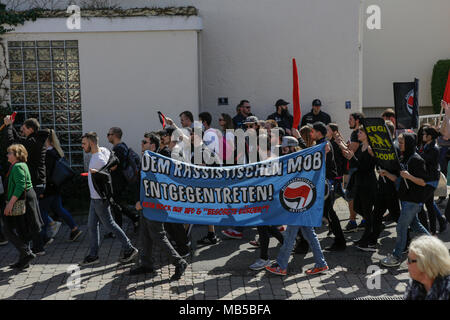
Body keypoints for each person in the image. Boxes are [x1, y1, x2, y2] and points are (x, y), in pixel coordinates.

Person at [265, 137, 329, 276]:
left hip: (299, 203)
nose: (283, 149)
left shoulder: (301, 160)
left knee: (290, 236)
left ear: (293, 147)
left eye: (285, 147)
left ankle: (281, 265)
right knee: (309, 234)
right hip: (301, 203)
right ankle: (321, 264)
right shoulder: (294, 159)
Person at [130, 133, 188, 280]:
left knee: (157, 235)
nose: (142, 144)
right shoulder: (147, 159)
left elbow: (155, 187)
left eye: (145, 142)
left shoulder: (156, 162)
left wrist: (142, 202)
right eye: (142, 141)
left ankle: (179, 261)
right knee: (145, 234)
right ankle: (147, 264)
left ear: (153, 146)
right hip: (145, 204)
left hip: (153, 205)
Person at [79, 132, 138, 266]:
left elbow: (106, 176)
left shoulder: (98, 159)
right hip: (94, 198)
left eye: (84, 143)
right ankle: (93, 255)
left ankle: (129, 249)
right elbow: (114, 165)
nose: (82, 146)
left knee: (110, 225)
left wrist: (99, 173)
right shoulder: (104, 150)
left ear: (91, 143)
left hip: (99, 199)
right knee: (92, 226)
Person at [3, 116, 57, 255]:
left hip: (36, 185)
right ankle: (40, 242)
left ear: (31, 129)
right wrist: (11, 127)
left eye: (24, 129)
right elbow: (18, 141)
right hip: (37, 184)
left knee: (31, 218)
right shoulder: (34, 140)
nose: (22, 131)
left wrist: (9, 127)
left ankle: (37, 246)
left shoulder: (35, 142)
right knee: (34, 216)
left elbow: (13, 143)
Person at [380, 132, 432, 267]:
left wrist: (409, 176)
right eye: (399, 142)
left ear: (408, 143)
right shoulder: (405, 158)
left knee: (401, 227)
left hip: (413, 201)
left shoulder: (416, 159)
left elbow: (423, 182)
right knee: (416, 225)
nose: (399, 144)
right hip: (405, 198)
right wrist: (387, 174)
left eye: (401, 142)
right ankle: (435, 248)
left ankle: (396, 256)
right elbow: (400, 179)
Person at [2, 144, 43, 269]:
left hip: (21, 201)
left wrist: (10, 203)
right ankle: (24, 260)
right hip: (25, 200)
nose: (7, 155)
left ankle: (26, 252)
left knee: (7, 229)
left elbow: (20, 186)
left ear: (17, 155)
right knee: (22, 231)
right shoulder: (18, 165)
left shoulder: (18, 166)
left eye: (9, 153)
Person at [248, 135, 284, 271]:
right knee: (268, 227)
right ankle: (286, 244)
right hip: (266, 199)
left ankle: (264, 258)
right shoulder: (269, 158)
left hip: (267, 200)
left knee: (263, 229)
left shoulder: (269, 160)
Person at [41, 129, 82, 242]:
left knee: (41, 211)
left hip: (49, 187)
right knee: (59, 208)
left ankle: (48, 230)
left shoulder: (48, 154)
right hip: (56, 186)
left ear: (46, 140)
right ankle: (74, 228)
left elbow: (47, 173)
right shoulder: (56, 151)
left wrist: (42, 189)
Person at [311, 122, 346, 251]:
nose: (311, 134)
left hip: (326, 183)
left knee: (330, 213)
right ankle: (339, 241)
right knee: (328, 213)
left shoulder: (324, 144)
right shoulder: (321, 143)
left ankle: (340, 242)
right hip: (324, 182)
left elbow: (321, 163)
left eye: (313, 131)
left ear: (319, 133)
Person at [343, 126, 377, 251]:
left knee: (367, 212)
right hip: (360, 182)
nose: (358, 134)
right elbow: (355, 164)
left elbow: (365, 167)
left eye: (360, 132)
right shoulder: (361, 146)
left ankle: (367, 239)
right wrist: (350, 157)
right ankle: (373, 225)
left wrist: (352, 157)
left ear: (367, 135)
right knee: (357, 207)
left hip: (368, 183)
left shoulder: (370, 148)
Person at [106, 127, 140, 238]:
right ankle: (133, 218)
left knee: (115, 205)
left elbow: (115, 166)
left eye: (109, 134)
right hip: (120, 181)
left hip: (118, 182)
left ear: (114, 135)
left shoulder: (118, 149)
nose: (107, 136)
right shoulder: (122, 146)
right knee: (116, 204)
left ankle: (119, 230)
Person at [340, 112, 366, 233]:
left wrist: (340, 145)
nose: (348, 121)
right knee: (356, 195)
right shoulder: (356, 133)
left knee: (350, 195)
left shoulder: (356, 133)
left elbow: (351, 152)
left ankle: (352, 221)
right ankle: (364, 220)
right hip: (357, 168)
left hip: (356, 168)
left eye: (350, 119)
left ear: (357, 120)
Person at [417, 126, 445, 235]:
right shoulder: (427, 145)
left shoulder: (434, 148)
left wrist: (416, 154)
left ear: (430, 137)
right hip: (427, 179)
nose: (422, 135)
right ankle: (432, 230)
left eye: (424, 134)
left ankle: (426, 230)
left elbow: (425, 158)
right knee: (429, 205)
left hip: (430, 180)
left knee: (419, 205)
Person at [404, 235, 450, 300]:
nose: (407, 263)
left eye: (409, 260)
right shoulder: (415, 281)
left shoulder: (447, 289)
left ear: (425, 263)